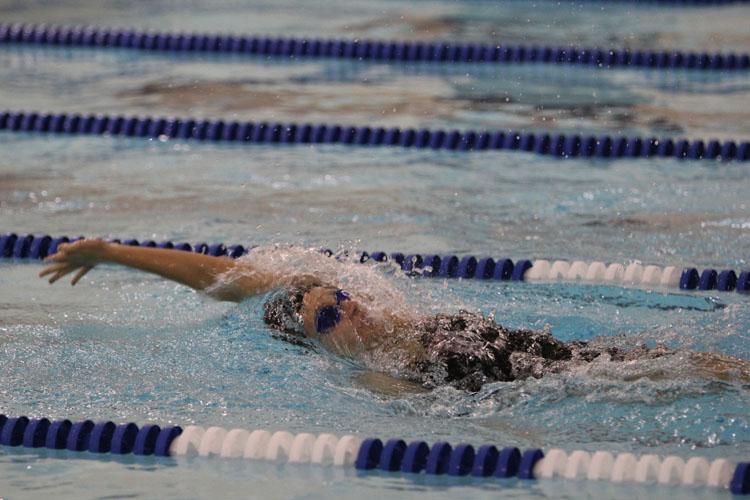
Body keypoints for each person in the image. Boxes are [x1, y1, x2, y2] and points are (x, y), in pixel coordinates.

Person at [40, 239, 748, 392]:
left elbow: (223, 280)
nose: (347, 311)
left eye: (341, 300)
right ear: (315, 345)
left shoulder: (396, 322)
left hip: (565, 356)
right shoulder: (375, 378)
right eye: (327, 320)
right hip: (562, 387)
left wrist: (109, 250)